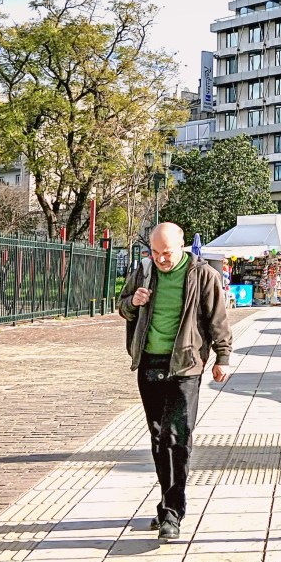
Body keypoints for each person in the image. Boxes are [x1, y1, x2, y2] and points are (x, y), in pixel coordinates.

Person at [118, 222, 232, 541]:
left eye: (166, 253)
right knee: (158, 437)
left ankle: (172, 511)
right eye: (155, 252)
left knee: (178, 436)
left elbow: (218, 319)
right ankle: (168, 504)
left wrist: (222, 357)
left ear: (182, 247)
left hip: (185, 366)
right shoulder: (143, 272)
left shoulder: (203, 275)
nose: (160, 259)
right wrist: (133, 302)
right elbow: (123, 307)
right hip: (149, 363)